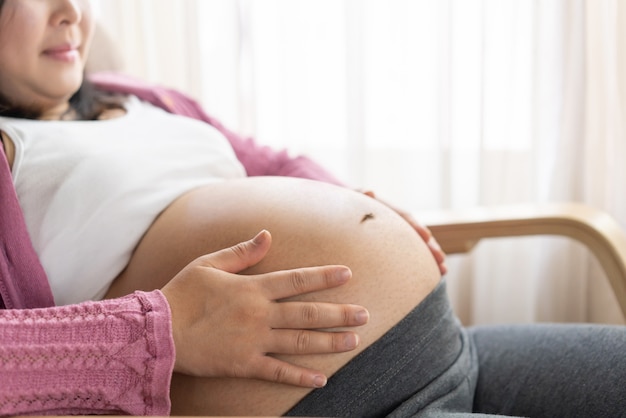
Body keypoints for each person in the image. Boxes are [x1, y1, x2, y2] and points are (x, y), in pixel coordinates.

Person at [1, 1, 625, 417]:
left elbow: (274, 161)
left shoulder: (142, 98)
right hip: (335, 401)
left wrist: (356, 207)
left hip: (441, 346)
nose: (72, 13)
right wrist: (159, 330)